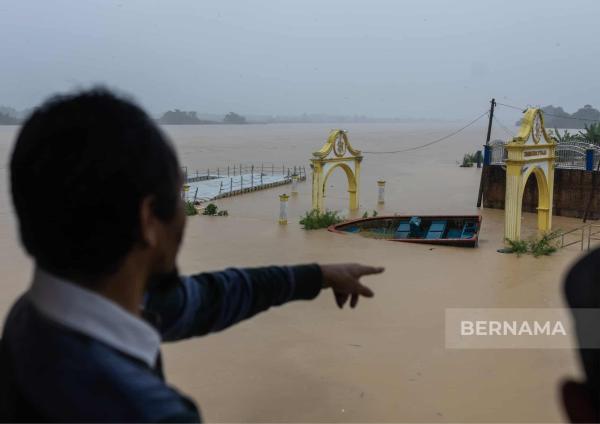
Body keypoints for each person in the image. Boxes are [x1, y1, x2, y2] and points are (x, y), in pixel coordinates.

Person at [0, 89, 384, 422]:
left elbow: (214, 297)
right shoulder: (150, 412)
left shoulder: (30, 320)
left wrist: (317, 275)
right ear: (149, 221)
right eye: (179, 198)